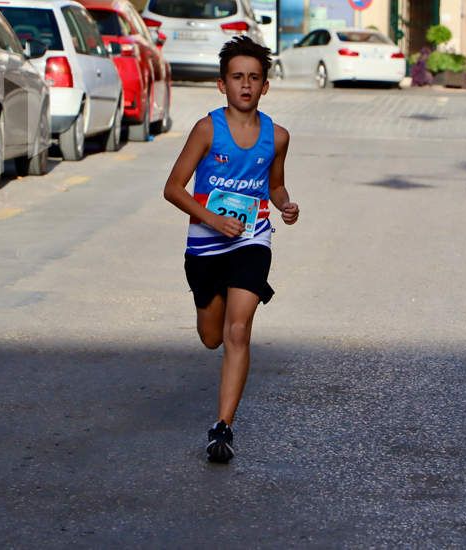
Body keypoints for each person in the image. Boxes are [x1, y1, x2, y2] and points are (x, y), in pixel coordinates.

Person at [162, 36, 299, 463]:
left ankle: (223, 428)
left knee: (238, 331)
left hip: (252, 239)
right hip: (205, 243)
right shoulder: (207, 129)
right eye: (237, 77)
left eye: (254, 78)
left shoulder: (277, 136)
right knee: (211, 336)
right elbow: (172, 188)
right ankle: (207, 309)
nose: (246, 85)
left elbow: (274, 185)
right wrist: (212, 219)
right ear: (222, 85)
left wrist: (285, 205)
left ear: (265, 86)